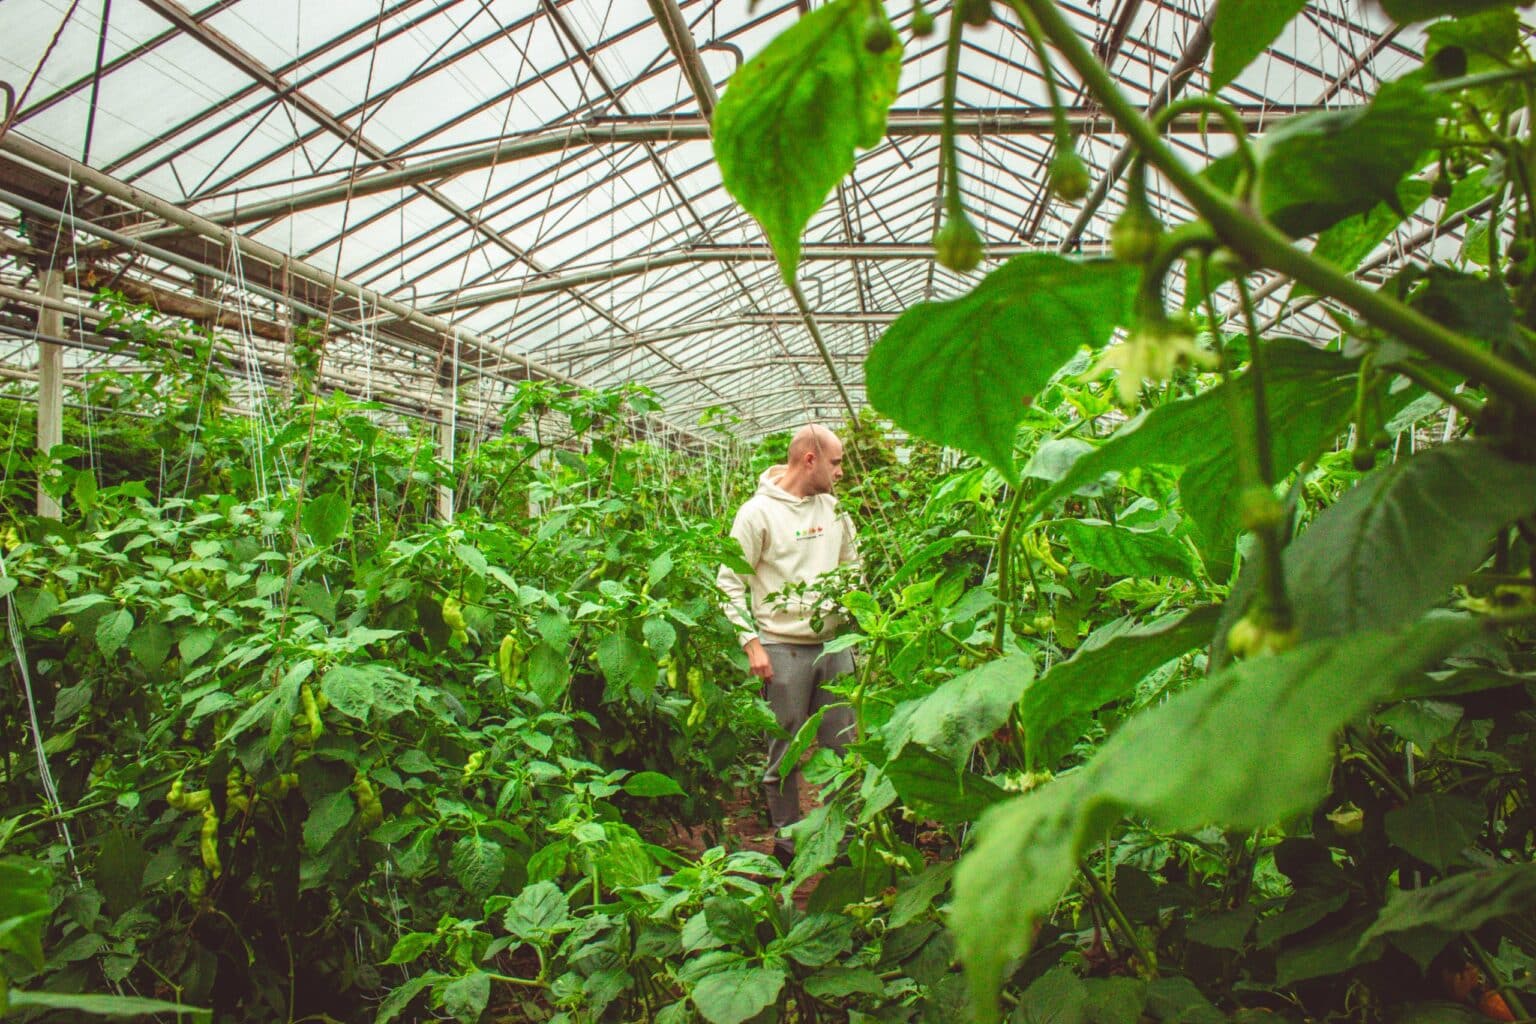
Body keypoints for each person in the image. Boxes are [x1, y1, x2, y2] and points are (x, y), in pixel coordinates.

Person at [716, 424, 859, 867]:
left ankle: (845, 843)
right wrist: (751, 643)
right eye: (835, 462)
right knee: (785, 749)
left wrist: (854, 612)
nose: (841, 471)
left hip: (834, 646)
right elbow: (728, 583)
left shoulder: (834, 510)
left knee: (846, 747)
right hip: (783, 647)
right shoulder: (756, 514)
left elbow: (853, 564)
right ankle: (787, 844)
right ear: (810, 460)